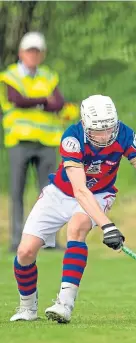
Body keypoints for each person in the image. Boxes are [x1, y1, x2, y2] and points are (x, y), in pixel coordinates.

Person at [9, 94, 136, 323]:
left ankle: (64, 304)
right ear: (85, 125)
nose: (104, 136)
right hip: (61, 193)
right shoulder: (72, 138)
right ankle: (27, 307)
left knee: (77, 227)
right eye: (97, 131)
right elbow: (80, 191)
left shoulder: (125, 134)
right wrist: (108, 227)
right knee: (25, 252)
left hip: (100, 193)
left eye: (109, 129)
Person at [0, 31, 68, 252]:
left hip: (46, 142)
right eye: (30, 51)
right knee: (17, 192)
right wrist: (42, 100)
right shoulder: (10, 76)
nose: (33, 55)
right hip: (20, 141)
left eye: (37, 52)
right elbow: (16, 99)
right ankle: (17, 239)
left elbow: (58, 103)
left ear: (42, 54)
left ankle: (48, 240)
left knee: (49, 194)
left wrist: (35, 102)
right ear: (21, 53)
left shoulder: (49, 76)